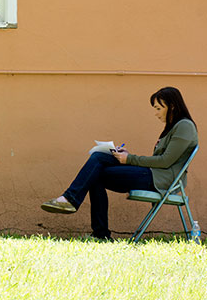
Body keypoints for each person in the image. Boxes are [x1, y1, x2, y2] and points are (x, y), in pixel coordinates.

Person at [41, 87, 198, 240]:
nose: (156, 113)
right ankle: (96, 230)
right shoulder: (173, 128)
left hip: (159, 180)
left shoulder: (184, 126)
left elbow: (165, 162)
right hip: (151, 174)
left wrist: (129, 159)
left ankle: (72, 201)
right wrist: (127, 157)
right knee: (98, 159)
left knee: (96, 166)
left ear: (172, 106)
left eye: (158, 108)